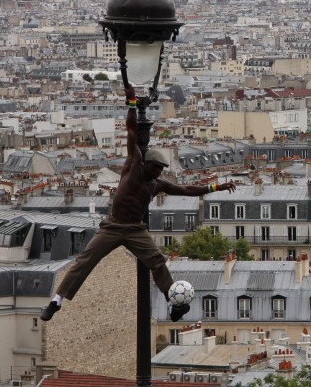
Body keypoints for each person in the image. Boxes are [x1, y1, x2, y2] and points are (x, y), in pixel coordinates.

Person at [41, 85, 236, 322]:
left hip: (135, 228)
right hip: (113, 226)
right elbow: (132, 130)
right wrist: (132, 102)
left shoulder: (157, 183)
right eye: (158, 168)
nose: (160, 172)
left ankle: (173, 302)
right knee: (85, 260)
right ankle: (56, 300)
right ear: (148, 164)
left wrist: (215, 187)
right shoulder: (133, 166)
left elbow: (186, 189)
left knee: (157, 261)